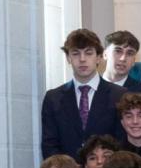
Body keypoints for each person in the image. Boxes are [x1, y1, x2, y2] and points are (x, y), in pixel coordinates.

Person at [41, 29, 124, 159]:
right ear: (68, 58)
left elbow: (122, 142)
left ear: (98, 57)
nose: (82, 59)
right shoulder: (53, 98)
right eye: (75, 54)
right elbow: (49, 144)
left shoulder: (119, 95)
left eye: (88, 53)